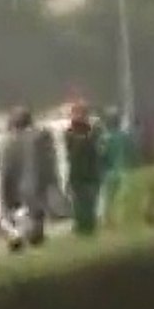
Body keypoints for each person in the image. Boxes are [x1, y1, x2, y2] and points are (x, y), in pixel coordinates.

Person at [0, 107, 59, 250]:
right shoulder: (41, 137)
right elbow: (49, 163)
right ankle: (34, 239)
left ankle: (25, 240)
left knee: (24, 220)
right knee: (36, 220)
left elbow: (6, 172)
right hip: (37, 187)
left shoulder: (8, 143)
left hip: (18, 190)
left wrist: (5, 200)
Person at [63, 101, 102, 236]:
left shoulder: (87, 133)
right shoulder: (74, 133)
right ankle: (84, 227)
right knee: (82, 203)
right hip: (81, 173)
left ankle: (86, 226)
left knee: (86, 202)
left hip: (85, 173)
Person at [98, 107, 137, 220]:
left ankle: (110, 221)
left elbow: (101, 157)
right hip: (126, 172)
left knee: (110, 200)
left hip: (110, 174)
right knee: (125, 200)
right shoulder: (126, 137)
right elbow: (133, 154)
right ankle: (125, 220)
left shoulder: (104, 138)